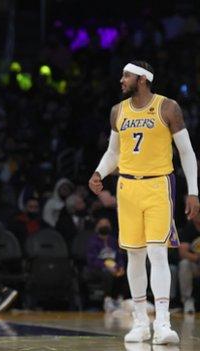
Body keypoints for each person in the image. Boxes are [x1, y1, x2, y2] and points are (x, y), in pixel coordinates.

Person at [89, 61, 199, 345]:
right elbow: (114, 152)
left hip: (158, 185)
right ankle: (140, 321)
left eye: (127, 75)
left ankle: (162, 322)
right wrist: (100, 172)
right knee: (134, 255)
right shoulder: (118, 111)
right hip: (127, 186)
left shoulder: (168, 107)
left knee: (157, 253)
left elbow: (186, 153)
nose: (121, 80)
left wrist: (194, 191)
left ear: (143, 79)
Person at [84, 217, 127, 312]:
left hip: (113, 267)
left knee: (123, 273)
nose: (104, 226)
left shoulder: (114, 241)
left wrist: (120, 267)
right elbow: (92, 260)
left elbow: (119, 257)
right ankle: (107, 300)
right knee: (106, 273)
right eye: (102, 224)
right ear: (97, 227)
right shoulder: (92, 242)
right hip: (97, 268)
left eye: (106, 224)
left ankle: (119, 299)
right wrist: (105, 265)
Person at [178, 213, 200, 314]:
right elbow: (182, 253)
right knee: (184, 264)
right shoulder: (188, 229)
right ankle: (187, 300)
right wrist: (197, 258)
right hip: (195, 264)